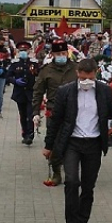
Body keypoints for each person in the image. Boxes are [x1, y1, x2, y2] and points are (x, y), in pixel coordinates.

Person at [43, 58, 112, 223]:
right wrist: (48, 145)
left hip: (93, 143)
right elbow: (56, 120)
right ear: (77, 73)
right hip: (72, 143)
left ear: (96, 73)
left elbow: (111, 111)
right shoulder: (65, 92)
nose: (86, 81)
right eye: (82, 78)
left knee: (88, 186)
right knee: (72, 181)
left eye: (89, 78)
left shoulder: (104, 91)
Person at [32, 40, 78, 185]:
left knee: (73, 142)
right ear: (52, 54)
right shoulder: (46, 70)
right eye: (58, 54)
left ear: (67, 53)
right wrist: (35, 113)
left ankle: (72, 171)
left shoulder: (76, 68)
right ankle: (56, 172)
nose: (61, 56)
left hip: (75, 111)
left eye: (63, 53)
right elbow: (38, 92)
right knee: (55, 142)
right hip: (53, 111)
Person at [6, 40, 40, 144]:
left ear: (29, 51)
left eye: (25, 50)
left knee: (30, 114)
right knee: (23, 114)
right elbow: (8, 76)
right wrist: (15, 81)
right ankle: (24, 133)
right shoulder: (15, 63)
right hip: (19, 93)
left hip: (31, 93)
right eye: (21, 50)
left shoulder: (34, 63)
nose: (23, 52)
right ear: (18, 51)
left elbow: (39, 75)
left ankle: (30, 134)